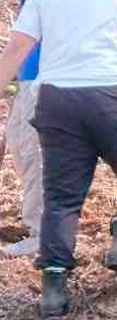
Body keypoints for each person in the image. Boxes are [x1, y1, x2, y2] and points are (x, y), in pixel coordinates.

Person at [0, 0, 117, 318]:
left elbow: (15, 52)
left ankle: (53, 290)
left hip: (56, 100)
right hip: (109, 98)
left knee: (61, 199)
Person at [1, 0, 42, 258]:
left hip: (45, 78)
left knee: (34, 152)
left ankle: (42, 233)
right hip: (27, 79)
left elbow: (18, 47)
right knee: (18, 144)